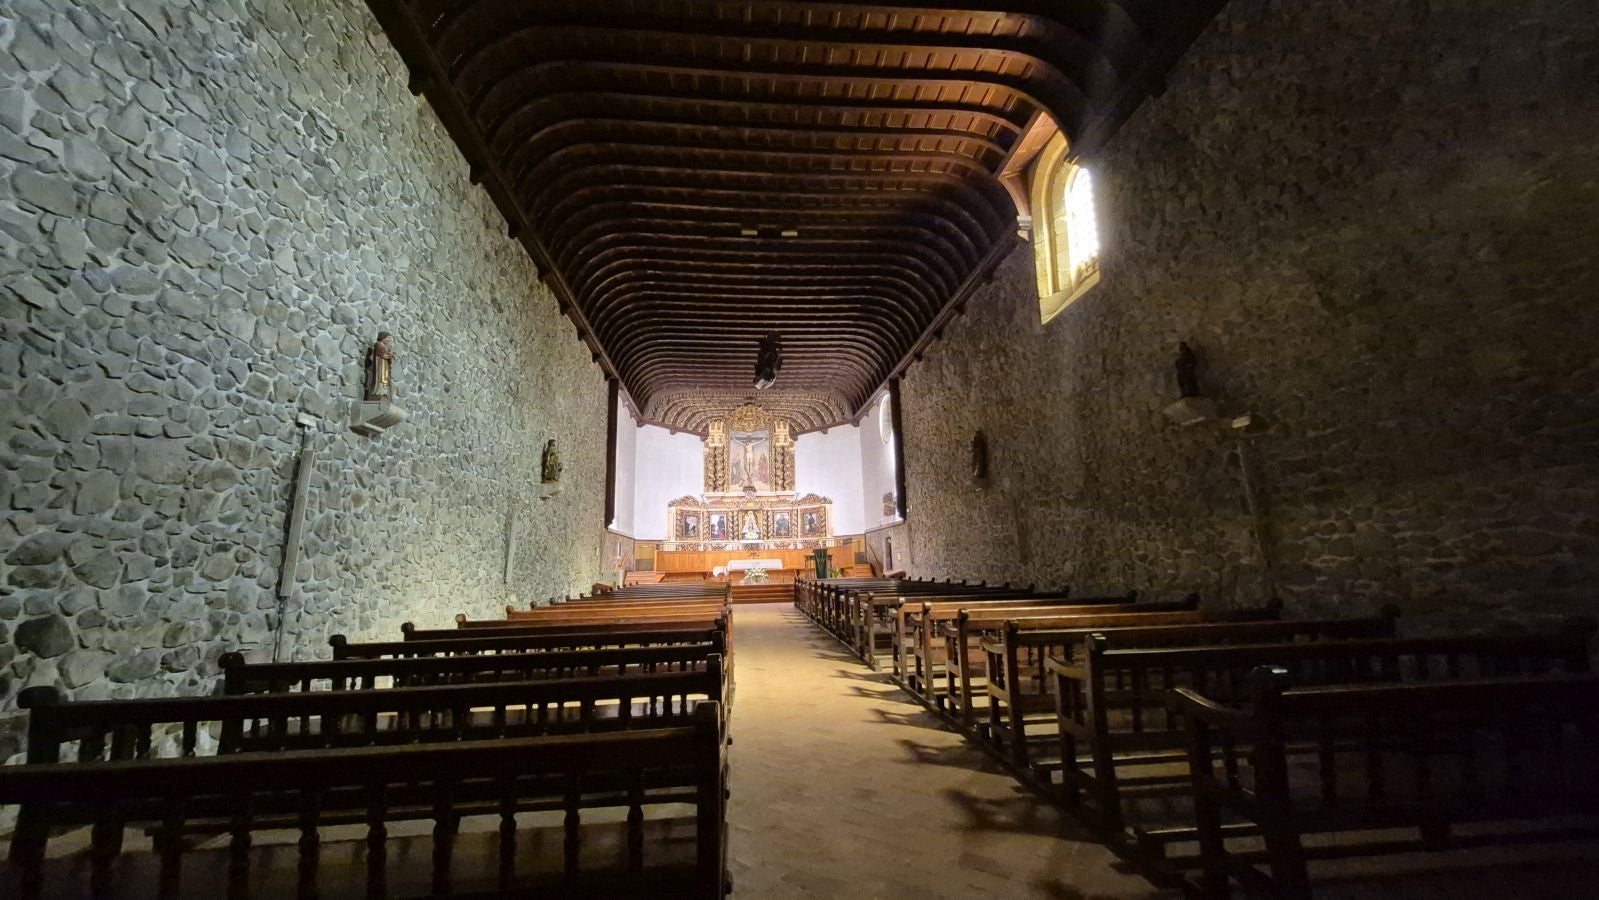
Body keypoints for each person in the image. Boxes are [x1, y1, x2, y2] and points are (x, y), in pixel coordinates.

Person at [365, 332, 395, 400]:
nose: (389, 340)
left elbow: (386, 355)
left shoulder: (384, 346)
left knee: (385, 379)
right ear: (382, 337)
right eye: (388, 338)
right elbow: (382, 354)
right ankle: (379, 392)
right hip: (380, 365)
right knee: (381, 379)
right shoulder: (379, 344)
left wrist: (390, 355)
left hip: (384, 366)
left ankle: (383, 392)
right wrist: (390, 354)